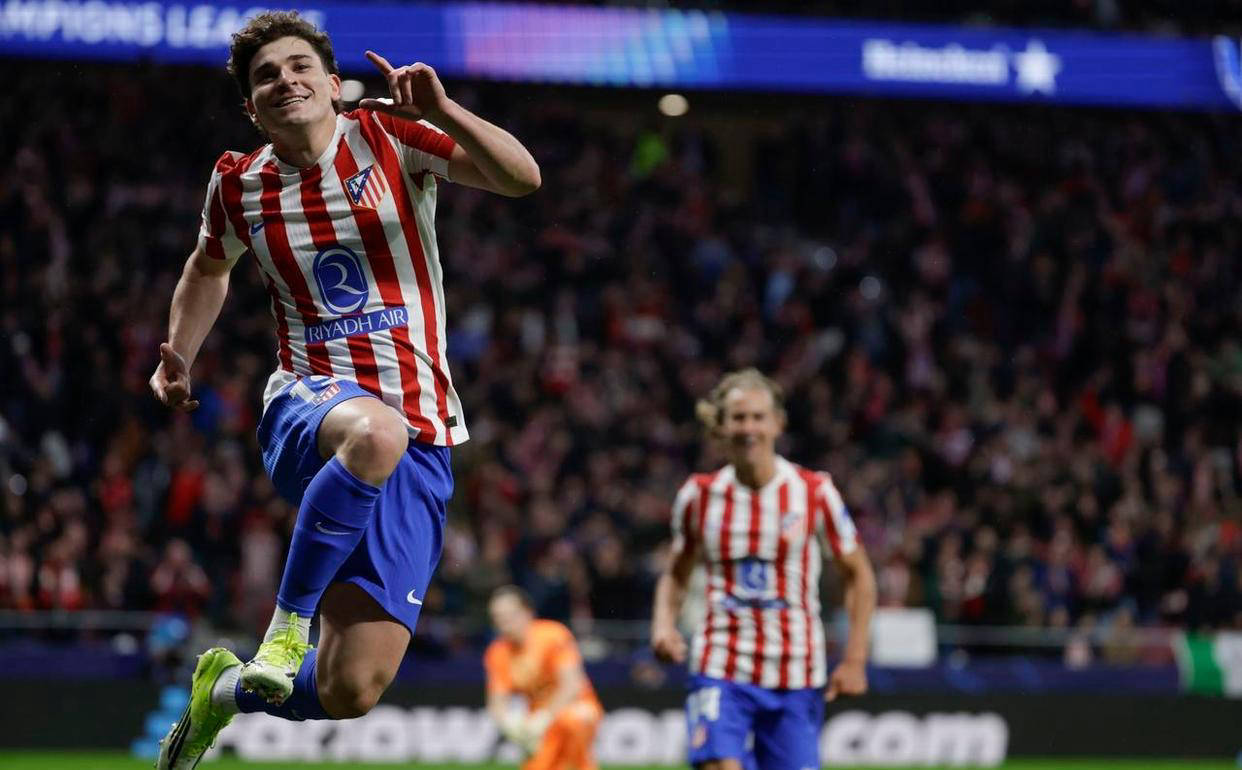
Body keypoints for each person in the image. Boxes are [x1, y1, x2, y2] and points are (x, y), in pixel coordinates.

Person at [148, 11, 540, 768]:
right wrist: (180, 356)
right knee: (374, 431)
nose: (285, 80)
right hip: (308, 402)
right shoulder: (239, 183)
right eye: (266, 76)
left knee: (351, 687)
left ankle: (220, 693)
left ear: (333, 85)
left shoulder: (391, 137)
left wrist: (445, 111)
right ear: (251, 107)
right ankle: (284, 629)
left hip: (422, 434)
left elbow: (522, 179)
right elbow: (208, 266)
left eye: (300, 67)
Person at [650, 368, 877, 770]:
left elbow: (858, 573)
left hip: (795, 671)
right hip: (721, 664)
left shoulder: (814, 492)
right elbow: (676, 572)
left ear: (778, 423)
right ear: (721, 427)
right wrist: (663, 625)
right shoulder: (699, 495)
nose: (749, 428)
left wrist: (855, 659)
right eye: (738, 418)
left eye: (758, 417)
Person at [484, 586, 604, 770]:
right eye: (498, 617)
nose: (504, 622)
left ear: (527, 612)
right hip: (536, 719)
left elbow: (572, 685)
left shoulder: (552, 635)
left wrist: (545, 717)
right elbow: (497, 703)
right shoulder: (497, 652)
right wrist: (511, 725)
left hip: (577, 706)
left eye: (510, 615)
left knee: (573, 720)